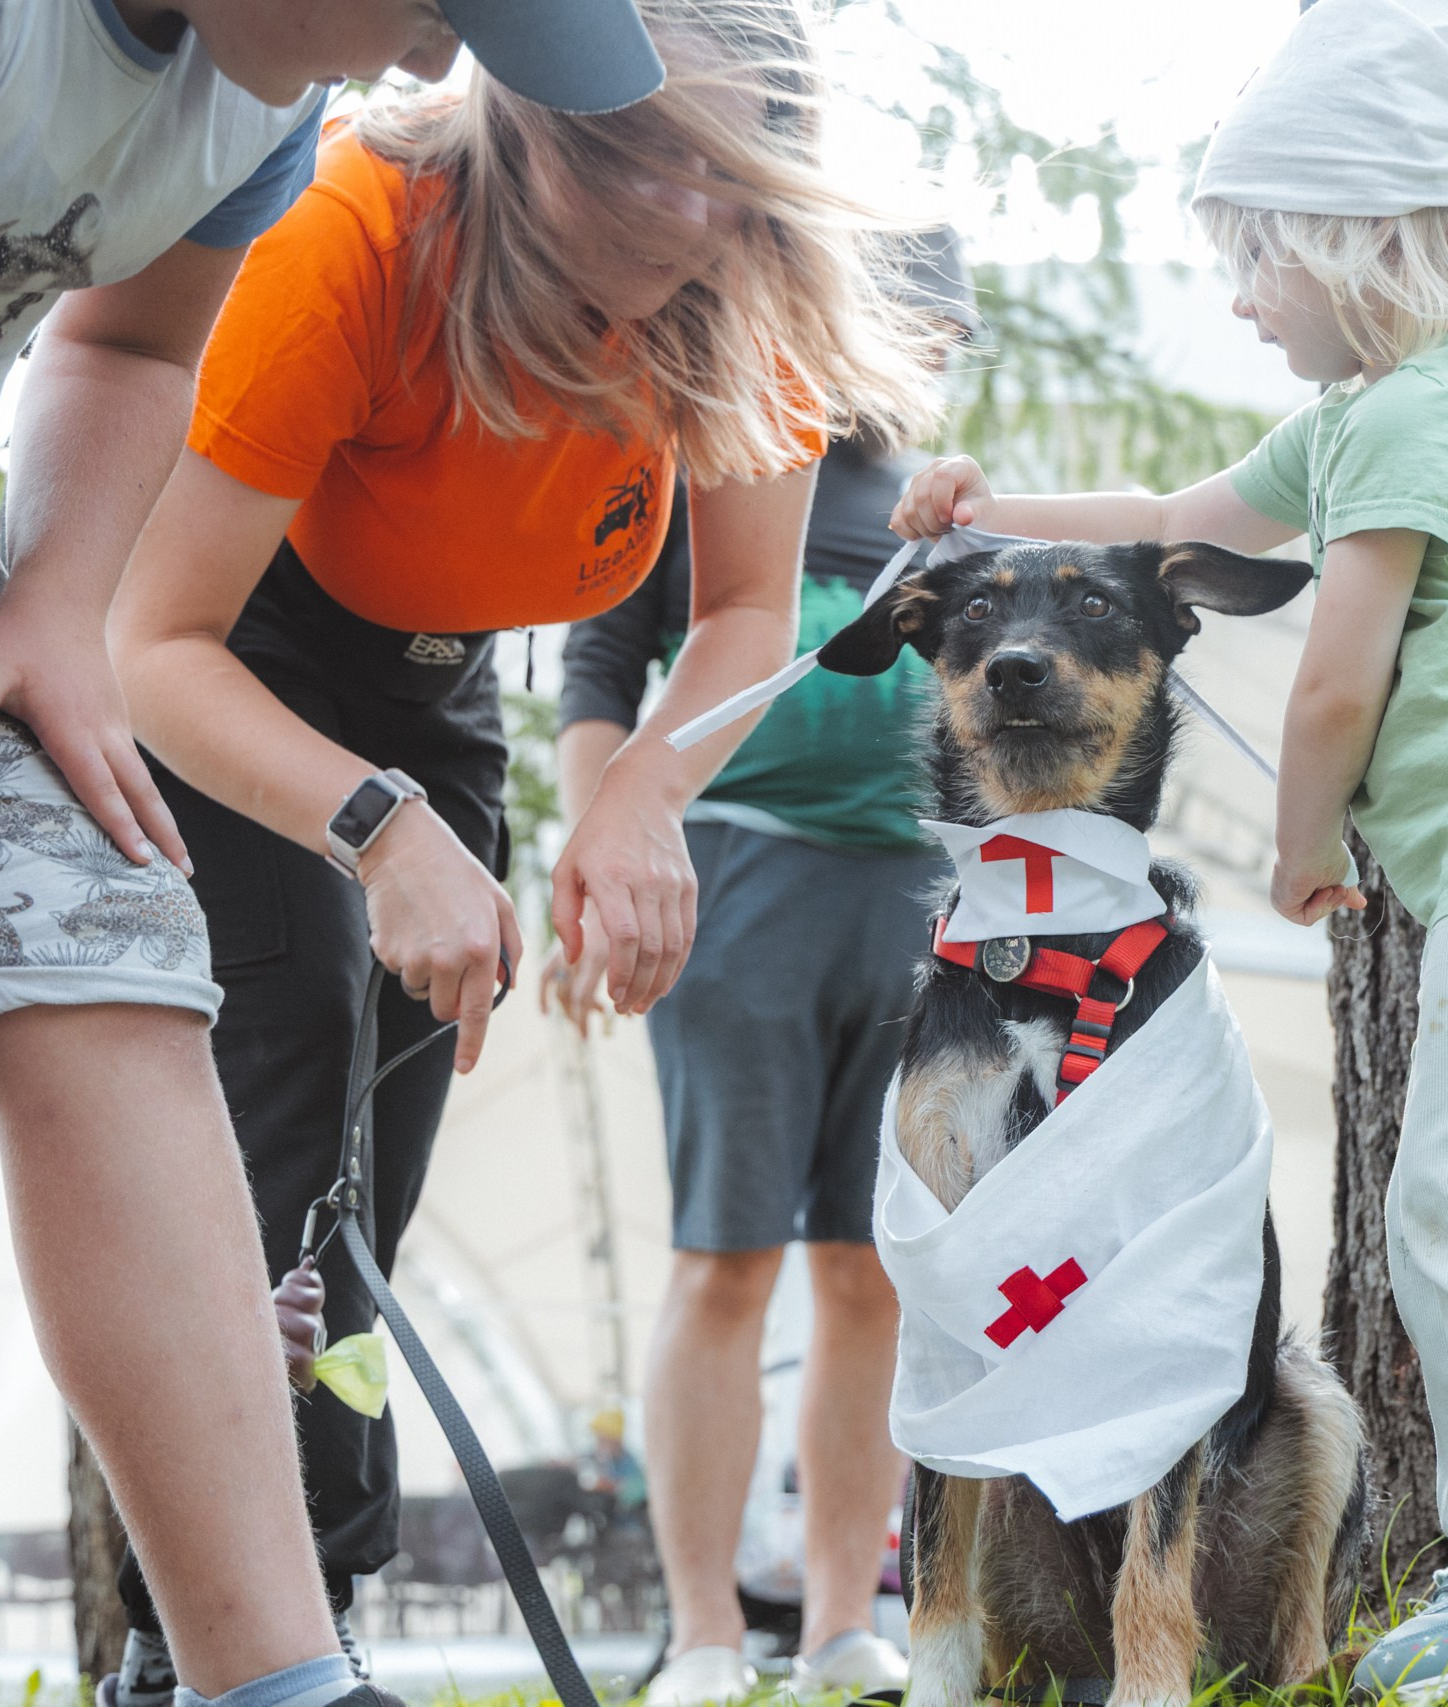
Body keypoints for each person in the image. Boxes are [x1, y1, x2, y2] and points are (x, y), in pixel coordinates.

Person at [103, 4, 942, 1700]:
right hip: (239, 661)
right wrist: (376, 825)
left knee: (371, 1168)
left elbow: (747, 612)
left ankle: (266, 1629)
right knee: (283, 1086)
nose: (673, 217)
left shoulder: (751, 282)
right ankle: (232, 1653)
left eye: (715, 175)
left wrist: (635, 793)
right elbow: (149, 644)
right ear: (522, 123)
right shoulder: (347, 236)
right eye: (624, 161)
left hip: (446, 681)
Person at [887, 0, 1448, 1694]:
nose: (1243, 299)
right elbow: (1176, 528)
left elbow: (1335, 676)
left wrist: (1297, 845)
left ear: (1364, 246)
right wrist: (986, 522)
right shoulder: (1371, 417)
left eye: (1260, 262)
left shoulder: (1425, 410)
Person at [0, 5, 647, 1707]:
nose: (438, 71)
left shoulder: (255, 111)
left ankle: (273, 1679)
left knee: (108, 923)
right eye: (438, 6)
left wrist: (60, 599)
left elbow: (132, 352)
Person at [542, 233, 978, 1706]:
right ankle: (707, 1634)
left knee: (871, 1276)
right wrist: (595, 871)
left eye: (947, 333)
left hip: (912, 904)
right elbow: (601, 674)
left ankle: (846, 1623)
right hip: (733, 882)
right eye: (911, 321)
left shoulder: (943, 508)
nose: (926, 355)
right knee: (723, 1261)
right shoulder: (706, 462)